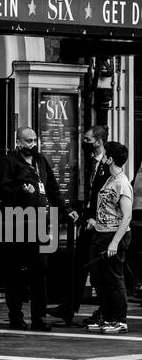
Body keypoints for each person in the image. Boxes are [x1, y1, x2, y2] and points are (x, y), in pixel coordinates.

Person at [0, 127, 78, 332]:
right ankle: (15, 315)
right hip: (15, 222)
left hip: (40, 222)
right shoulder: (9, 161)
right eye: (27, 141)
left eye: (34, 140)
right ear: (18, 142)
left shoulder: (40, 160)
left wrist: (66, 209)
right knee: (15, 271)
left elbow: (52, 187)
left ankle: (39, 316)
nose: (32, 144)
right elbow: (2, 190)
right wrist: (20, 191)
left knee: (40, 270)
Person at [48, 124, 110, 326]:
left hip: (102, 224)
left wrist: (95, 217)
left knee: (99, 269)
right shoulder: (90, 162)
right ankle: (68, 306)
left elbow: (108, 195)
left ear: (99, 141)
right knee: (79, 263)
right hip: (88, 219)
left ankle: (105, 310)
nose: (84, 143)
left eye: (88, 139)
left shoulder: (109, 163)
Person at [86, 141, 132, 335]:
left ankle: (119, 320)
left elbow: (127, 216)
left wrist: (115, 242)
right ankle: (106, 317)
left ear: (110, 159)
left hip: (115, 235)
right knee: (98, 278)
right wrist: (96, 222)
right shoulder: (108, 180)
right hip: (101, 233)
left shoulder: (122, 183)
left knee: (114, 278)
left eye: (105, 155)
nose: (102, 158)